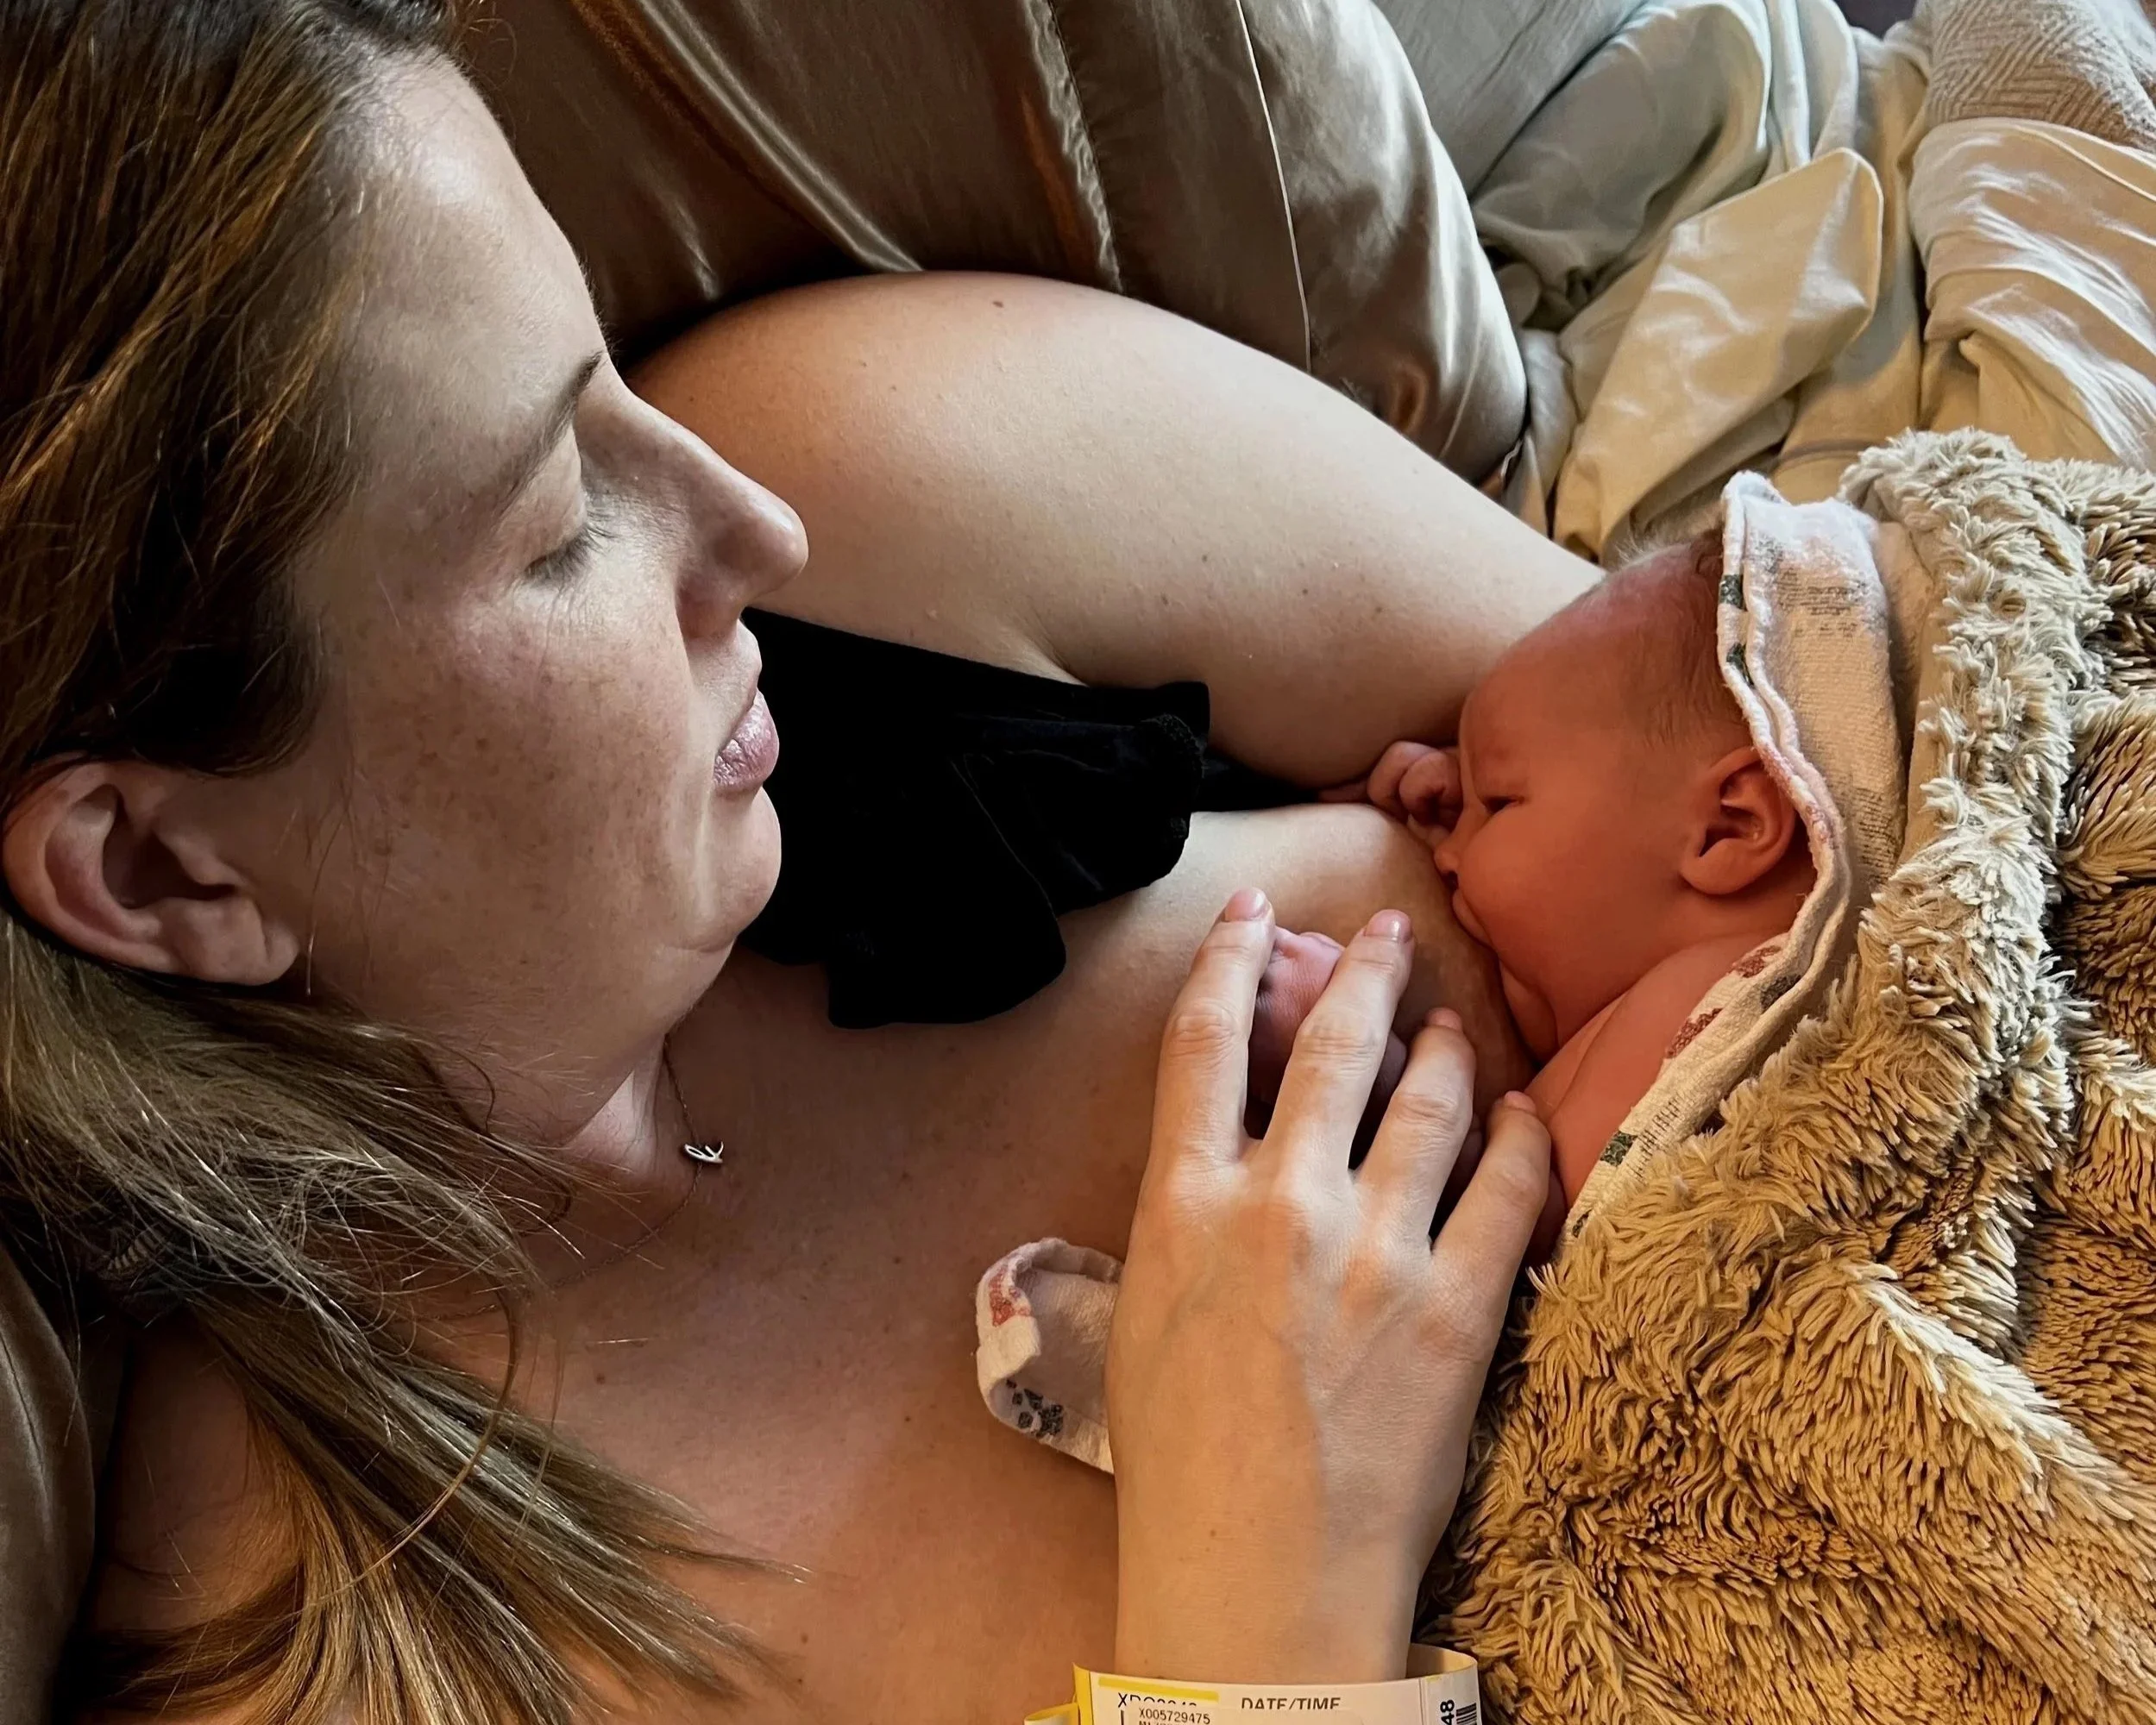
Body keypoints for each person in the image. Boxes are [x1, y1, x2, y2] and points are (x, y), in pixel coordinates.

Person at [0, 3, 1597, 1718]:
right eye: (552, 529)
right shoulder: (352, 1640)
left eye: (601, 365)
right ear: (167, 875)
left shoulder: (889, 491)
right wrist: (1266, 1633)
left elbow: (1803, 739)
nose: (750, 529)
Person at [1253, 537, 1816, 1205]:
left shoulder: (1720, 1003)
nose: (1447, 856)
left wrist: (1356, 1074)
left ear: (1729, 828)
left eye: (1497, 800)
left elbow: (1519, 1225)